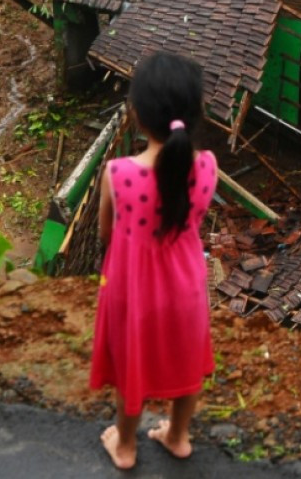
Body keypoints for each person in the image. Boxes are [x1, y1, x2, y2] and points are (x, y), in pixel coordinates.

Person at [90, 52, 217, 470]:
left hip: (134, 292)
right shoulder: (207, 167)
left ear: (138, 115)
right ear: (195, 113)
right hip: (187, 290)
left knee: (133, 366)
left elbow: (106, 233)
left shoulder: (119, 173)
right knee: (187, 362)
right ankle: (177, 437)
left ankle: (125, 447)